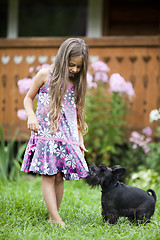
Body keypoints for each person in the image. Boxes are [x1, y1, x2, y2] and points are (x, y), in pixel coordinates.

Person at [21, 38, 89, 228]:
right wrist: (31, 116)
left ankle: (53, 216)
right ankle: (57, 219)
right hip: (46, 133)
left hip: (65, 136)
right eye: (71, 65)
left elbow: (78, 113)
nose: (74, 70)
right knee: (49, 175)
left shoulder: (77, 82)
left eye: (78, 67)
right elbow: (28, 98)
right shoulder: (45, 74)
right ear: (62, 58)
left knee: (59, 176)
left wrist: (79, 139)